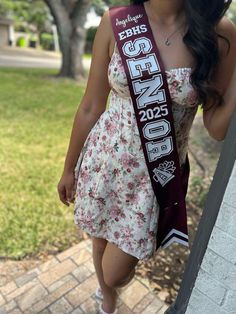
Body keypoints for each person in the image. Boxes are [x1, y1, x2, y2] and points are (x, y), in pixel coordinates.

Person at [57, 0, 236, 313]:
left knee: (116, 272)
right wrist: (69, 167)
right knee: (99, 234)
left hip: (156, 177)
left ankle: (109, 287)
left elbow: (216, 128)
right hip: (105, 162)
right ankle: (108, 300)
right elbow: (90, 105)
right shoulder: (115, 22)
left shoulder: (218, 31)